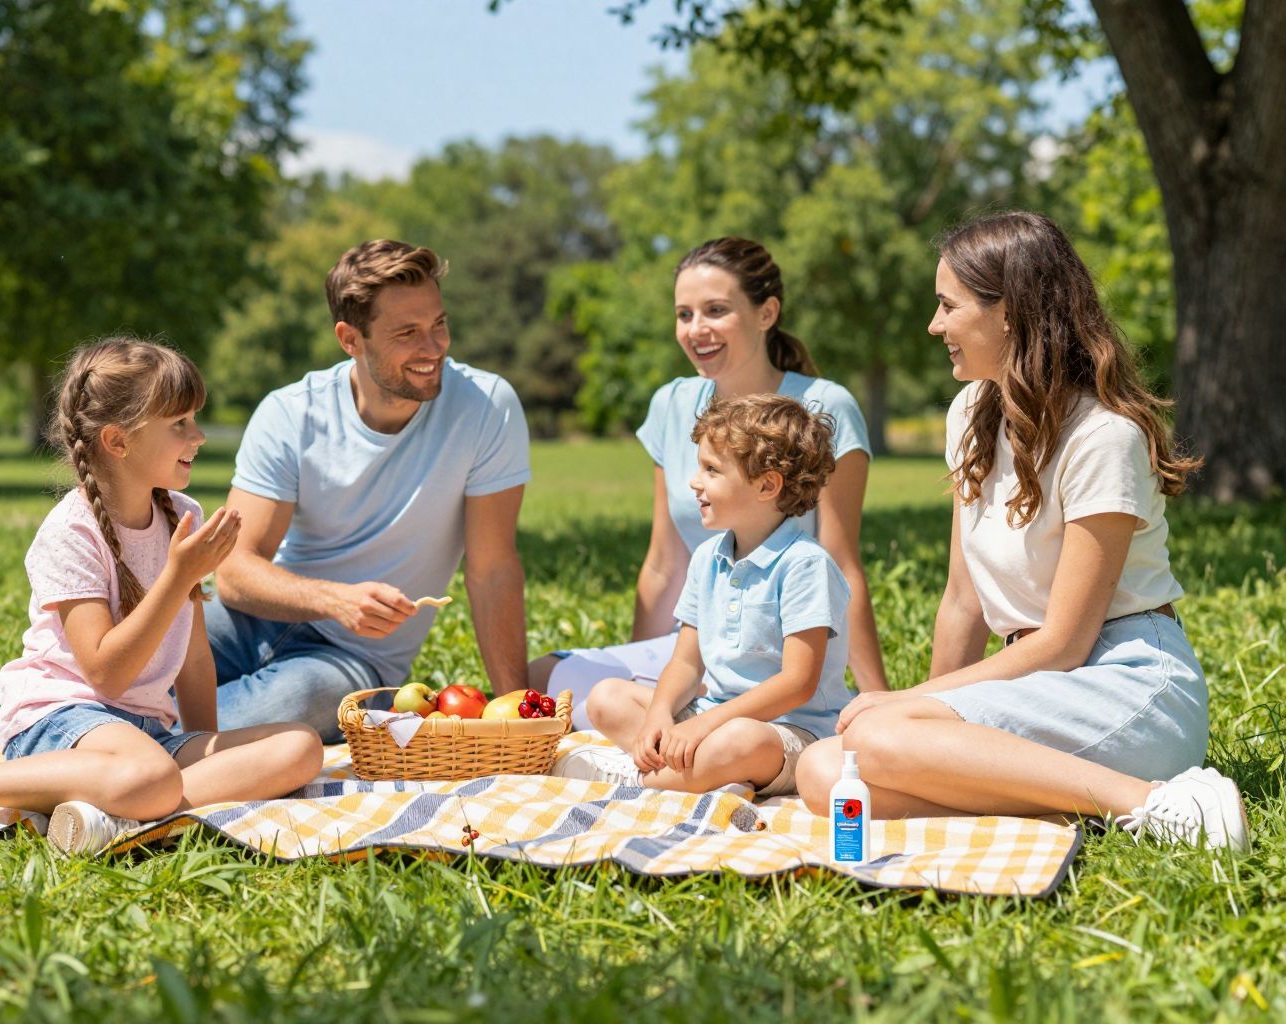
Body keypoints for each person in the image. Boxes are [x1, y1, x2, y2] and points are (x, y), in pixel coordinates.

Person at [0, 240, 530, 741]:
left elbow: (494, 567)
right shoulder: (293, 413)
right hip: (259, 614)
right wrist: (335, 599)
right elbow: (233, 573)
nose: (434, 349)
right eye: (407, 334)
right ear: (350, 339)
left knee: (305, 700)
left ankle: (81, 728)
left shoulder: (486, 408)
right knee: (154, 642)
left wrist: (516, 711)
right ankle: (37, 711)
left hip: (356, 657)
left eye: (439, 325)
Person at [795, 211, 1250, 852]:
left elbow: (1064, 641)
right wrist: (922, 718)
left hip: (1126, 681)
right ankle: (1070, 812)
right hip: (1034, 680)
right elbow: (962, 599)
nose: (935, 326)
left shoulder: (1102, 437)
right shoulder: (971, 413)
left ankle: (1161, 806)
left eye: (948, 307)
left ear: (1009, 312)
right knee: (824, 773)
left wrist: (911, 706)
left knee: (872, 739)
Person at [0, 339, 324, 853]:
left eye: (194, 419)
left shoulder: (178, 513)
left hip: (147, 736)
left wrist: (206, 750)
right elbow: (106, 673)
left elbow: (193, 658)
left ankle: (122, 815)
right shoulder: (71, 533)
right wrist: (178, 575)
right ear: (117, 441)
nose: (200, 436)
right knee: (150, 776)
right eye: (179, 425)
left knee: (300, 748)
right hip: (63, 717)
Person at [535, 237, 886, 729]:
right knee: (548, 678)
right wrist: (645, 671)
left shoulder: (824, 406)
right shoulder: (672, 403)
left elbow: (842, 561)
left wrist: (879, 699)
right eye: (684, 314)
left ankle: (713, 746)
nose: (696, 330)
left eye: (716, 310)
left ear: (767, 313)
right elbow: (663, 564)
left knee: (598, 704)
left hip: (779, 654)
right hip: (701, 649)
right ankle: (687, 745)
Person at [552, 394, 851, 797]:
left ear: (766, 485)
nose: (695, 481)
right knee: (607, 697)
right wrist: (661, 713)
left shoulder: (805, 566)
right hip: (713, 715)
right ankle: (693, 773)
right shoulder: (708, 558)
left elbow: (797, 683)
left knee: (741, 742)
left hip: (789, 731)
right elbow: (685, 661)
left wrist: (704, 726)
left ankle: (635, 779)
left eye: (712, 470)